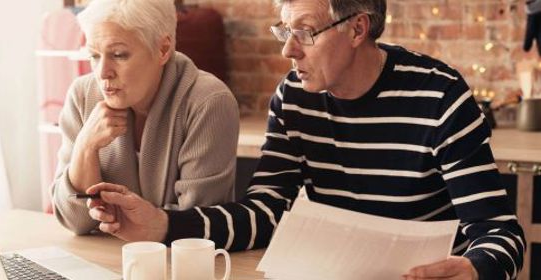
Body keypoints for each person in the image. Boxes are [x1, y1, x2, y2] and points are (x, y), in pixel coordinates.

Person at [85, 0, 526, 279]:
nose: (287, 51)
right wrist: (162, 225)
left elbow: (500, 233)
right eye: (284, 30)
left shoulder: (440, 94)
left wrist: (473, 268)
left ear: (357, 30)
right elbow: (266, 213)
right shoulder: (294, 98)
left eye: (304, 32)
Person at [51, 0, 239, 236]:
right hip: (103, 260)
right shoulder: (81, 95)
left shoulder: (209, 102)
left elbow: (196, 224)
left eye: (118, 55)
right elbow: (74, 221)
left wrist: (114, 218)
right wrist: (85, 147)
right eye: (94, 55)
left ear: (162, 50)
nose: (102, 73)